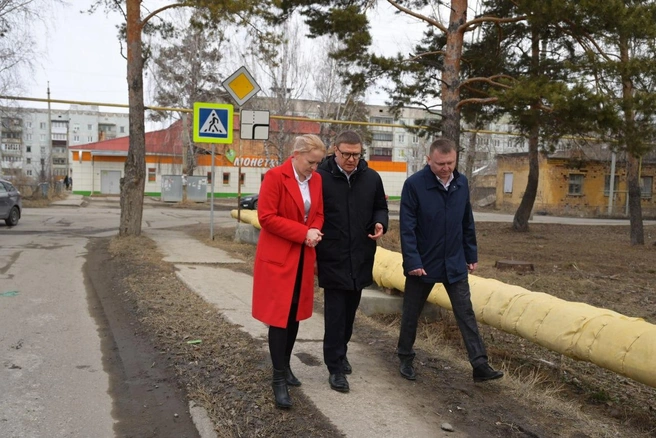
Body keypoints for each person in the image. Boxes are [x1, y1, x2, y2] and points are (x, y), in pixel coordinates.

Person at [397, 137, 503, 383]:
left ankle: (480, 365)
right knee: (412, 313)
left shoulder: (461, 183)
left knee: (465, 312)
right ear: (429, 160)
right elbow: (407, 227)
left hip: (454, 260)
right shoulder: (414, 185)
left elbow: (467, 221)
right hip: (423, 263)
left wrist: (471, 254)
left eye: (450, 163)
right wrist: (412, 262)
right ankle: (405, 357)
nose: (446, 168)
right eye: (440, 163)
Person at [251, 134, 326, 409]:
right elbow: (266, 217)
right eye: (311, 162)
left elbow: (318, 212)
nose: (314, 168)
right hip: (278, 258)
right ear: (296, 154)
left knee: (294, 314)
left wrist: (315, 229)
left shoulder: (316, 180)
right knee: (279, 317)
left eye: (318, 163)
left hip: (304, 257)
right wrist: (303, 232)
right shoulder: (275, 177)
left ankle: (285, 365)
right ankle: (278, 378)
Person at [316, 130, 389, 393]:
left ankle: (341, 351)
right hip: (332, 255)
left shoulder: (371, 178)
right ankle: (334, 368)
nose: (351, 159)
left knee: (349, 314)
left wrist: (381, 222)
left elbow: (381, 206)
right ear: (335, 150)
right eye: (346, 154)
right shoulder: (320, 177)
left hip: (360, 256)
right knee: (335, 315)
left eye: (356, 154)